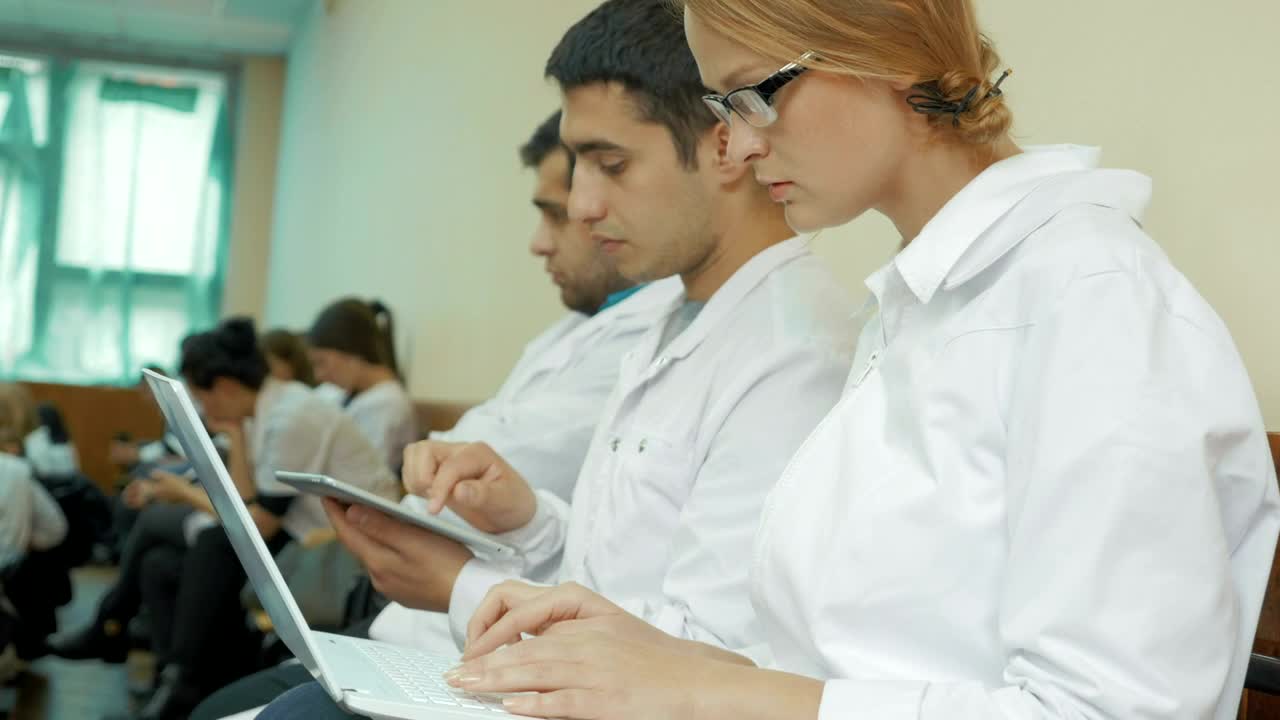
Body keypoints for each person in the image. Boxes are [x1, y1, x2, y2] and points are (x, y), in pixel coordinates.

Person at [376, 2, 1280, 719]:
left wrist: (703, 689)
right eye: (721, 108)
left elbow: (1112, 709)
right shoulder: (924, 306)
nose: (738, 141)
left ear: (880, 44)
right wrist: (650, 655)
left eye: (752, 93)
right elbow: (845, 664)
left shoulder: (1092, 302)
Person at [258, 0, 856, 715]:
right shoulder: (672, 316)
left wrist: (459, 587)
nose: (580, 205)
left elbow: (710, 656)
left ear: (726, 142)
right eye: (577, 166)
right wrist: (525, 520)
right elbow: (611, 569)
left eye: (611, 164)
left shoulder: (796, 353)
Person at [189, 109, 681, 720]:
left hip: (478, 643)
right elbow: (486, 470)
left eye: (557, 210)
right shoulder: (579, 331)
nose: (542, 239)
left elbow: (481, 468)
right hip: (430, 618)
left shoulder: (665, 337)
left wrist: (490, 502)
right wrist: (519, 512)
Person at [51, 318, 398, 720]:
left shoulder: (293, 416)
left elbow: (259, 521)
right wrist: (234, 431)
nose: (203, 409)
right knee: (159, 565)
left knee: (201, 538)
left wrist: (182, 491)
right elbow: (246, 497)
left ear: (227, 387)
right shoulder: (261, 410)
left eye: (202, 397)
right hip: (301, 530)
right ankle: (173, 674)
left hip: (333, 546)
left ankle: (158, 660)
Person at [307, 300, 418, 471]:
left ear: (351, 352)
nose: (318, 375)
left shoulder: (388, 404)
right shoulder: (341, 392)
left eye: (322, 362)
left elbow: (365, 472)